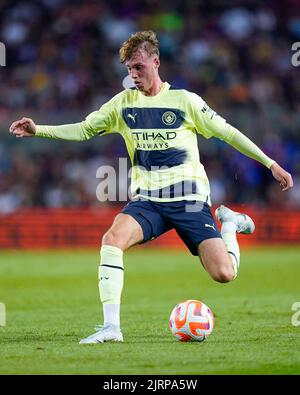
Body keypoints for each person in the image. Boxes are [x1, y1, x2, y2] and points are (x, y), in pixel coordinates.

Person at [10, 31, 293, 344]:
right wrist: (39, 130)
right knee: (112, 239)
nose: (133, 74)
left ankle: (230, 224)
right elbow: (83, 129)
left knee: (224, 274)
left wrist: (271, 164)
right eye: (129, 69)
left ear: (156, 62)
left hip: (189, 201)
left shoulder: (185, 102)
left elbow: (229, 133)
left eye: (139, 67)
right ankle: (111, 328)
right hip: (148, 201)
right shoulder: (123, 104)